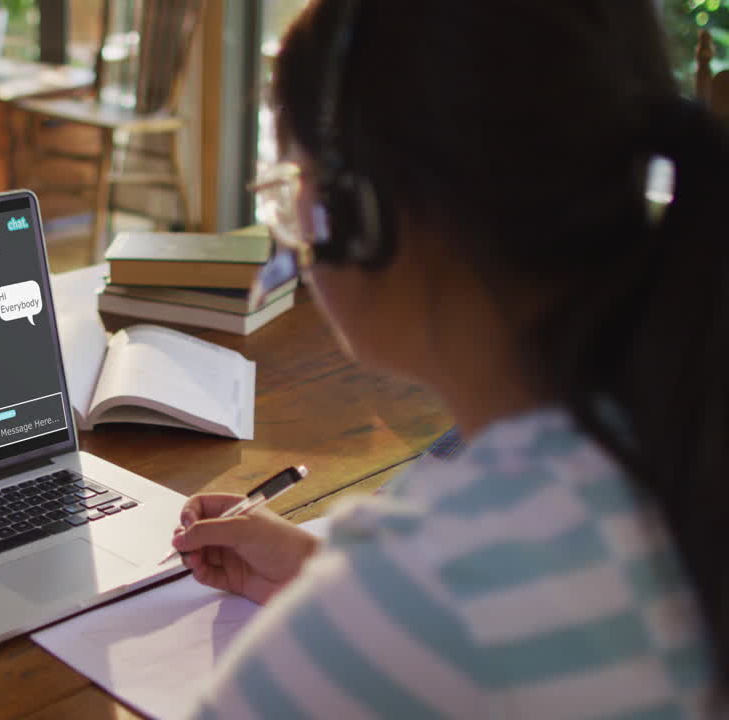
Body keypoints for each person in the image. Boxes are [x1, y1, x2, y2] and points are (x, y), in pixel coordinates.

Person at [170, 1, 725, 716]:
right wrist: (329, 579)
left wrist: (367, 613)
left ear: (365, 211)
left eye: (291, 187)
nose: (295, 237)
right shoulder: (675, 439)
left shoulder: (427, 591)